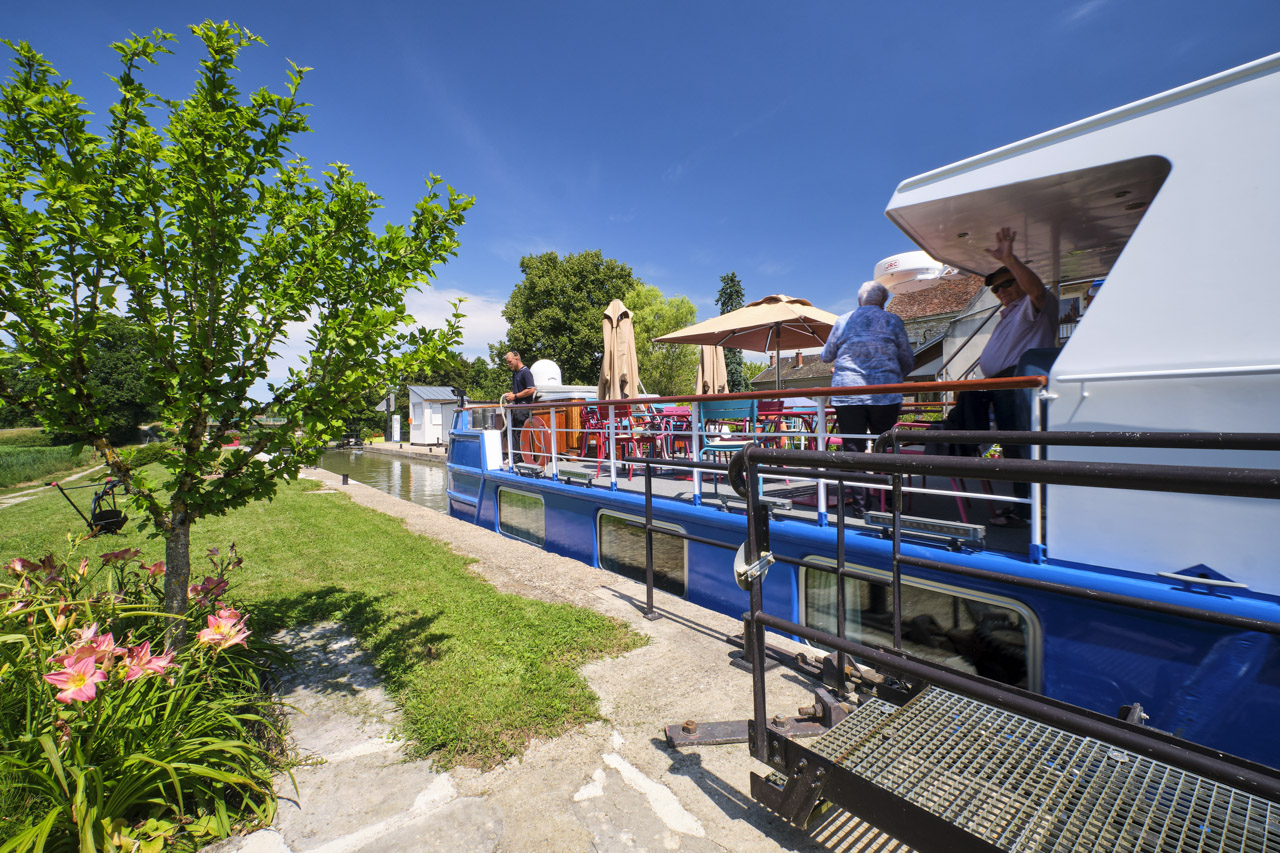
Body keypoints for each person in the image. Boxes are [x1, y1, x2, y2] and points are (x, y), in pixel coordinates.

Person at [961, 226, 1059, 527]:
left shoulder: (1033, 306)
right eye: (996, 289)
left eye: (1005, 285)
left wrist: (1011, 257)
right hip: (1004, 386)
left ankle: (1031, 513)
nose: (1000, 292)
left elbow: (1037, 291)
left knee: (1022, 450)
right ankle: (1023, 507)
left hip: (1018, 385)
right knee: (1013, 449)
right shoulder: (1011, 311)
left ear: (1019, 282)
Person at [821, 281, 914, 517]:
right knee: (888, 448)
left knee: (853, 450)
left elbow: (826, 355)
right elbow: (907, 360)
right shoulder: (892, 320)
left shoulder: (843, 320)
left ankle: (861, 508)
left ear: (859, 301)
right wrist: (891, 375)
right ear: (883, 302)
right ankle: (892, 502)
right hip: (884, 394)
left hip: (848, 394)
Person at [503, 351, 536, 434]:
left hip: (523, 409)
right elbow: (520, 389)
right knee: (511, 432)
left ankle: (519, 447)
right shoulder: (515, 373)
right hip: (516, 408)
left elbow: (531, 389)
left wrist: (515, 396)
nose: (508, 364)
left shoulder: (526, 372)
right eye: (507, 362)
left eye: (510, 362)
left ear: (517, 359)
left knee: (519, 434)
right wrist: (511, 394)